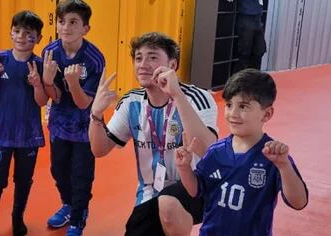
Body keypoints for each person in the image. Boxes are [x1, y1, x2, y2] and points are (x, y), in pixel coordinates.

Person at [89, 32, 218, 236]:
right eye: (138, 58)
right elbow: (99, 149)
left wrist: (176, 94)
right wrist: (96, 115)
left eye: (152, 57)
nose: (143, 64)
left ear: (173, 65)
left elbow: (208, 150)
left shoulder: (197, 97)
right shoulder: (132, 102)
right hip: (150, 191)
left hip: (198, 187)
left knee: (169, 204)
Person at [175, 69, 309, 235]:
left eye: (243, 106)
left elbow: (299, 202)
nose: (233, 114)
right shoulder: (216, 152)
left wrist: (284, 166)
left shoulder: (274, 155)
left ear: (267, 114)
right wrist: (184, 168)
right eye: (229, 105)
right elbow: (196, 190)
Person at [0, 10, 47, 236]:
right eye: (16, 31)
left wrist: (37, 84)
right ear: (11, 32)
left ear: (37, 38)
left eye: (27, 33)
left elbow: (42, 101)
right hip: (0, 134)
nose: (20, 36)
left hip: (28, 135)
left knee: (24, 180)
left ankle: (17, 219)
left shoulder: (39, 64)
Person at [41, 0, 105, 235]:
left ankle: (78, 217)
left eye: (73, 22)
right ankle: (68, 204)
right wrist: (47, 81)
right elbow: (55, 96)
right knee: (58, 169)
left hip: (85, 126)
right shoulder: (50, 52)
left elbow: (83, 102)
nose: (65, 27)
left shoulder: (94, 58)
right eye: (61, 21)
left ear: (85, 28)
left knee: (81, 173)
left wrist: (73, 82)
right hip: (59, 122)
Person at [227, 0, 267, 72]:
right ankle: (239, 81)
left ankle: (253, 78)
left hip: (257, 19)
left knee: (259, 51)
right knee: (244, 55)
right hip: (246, 18)